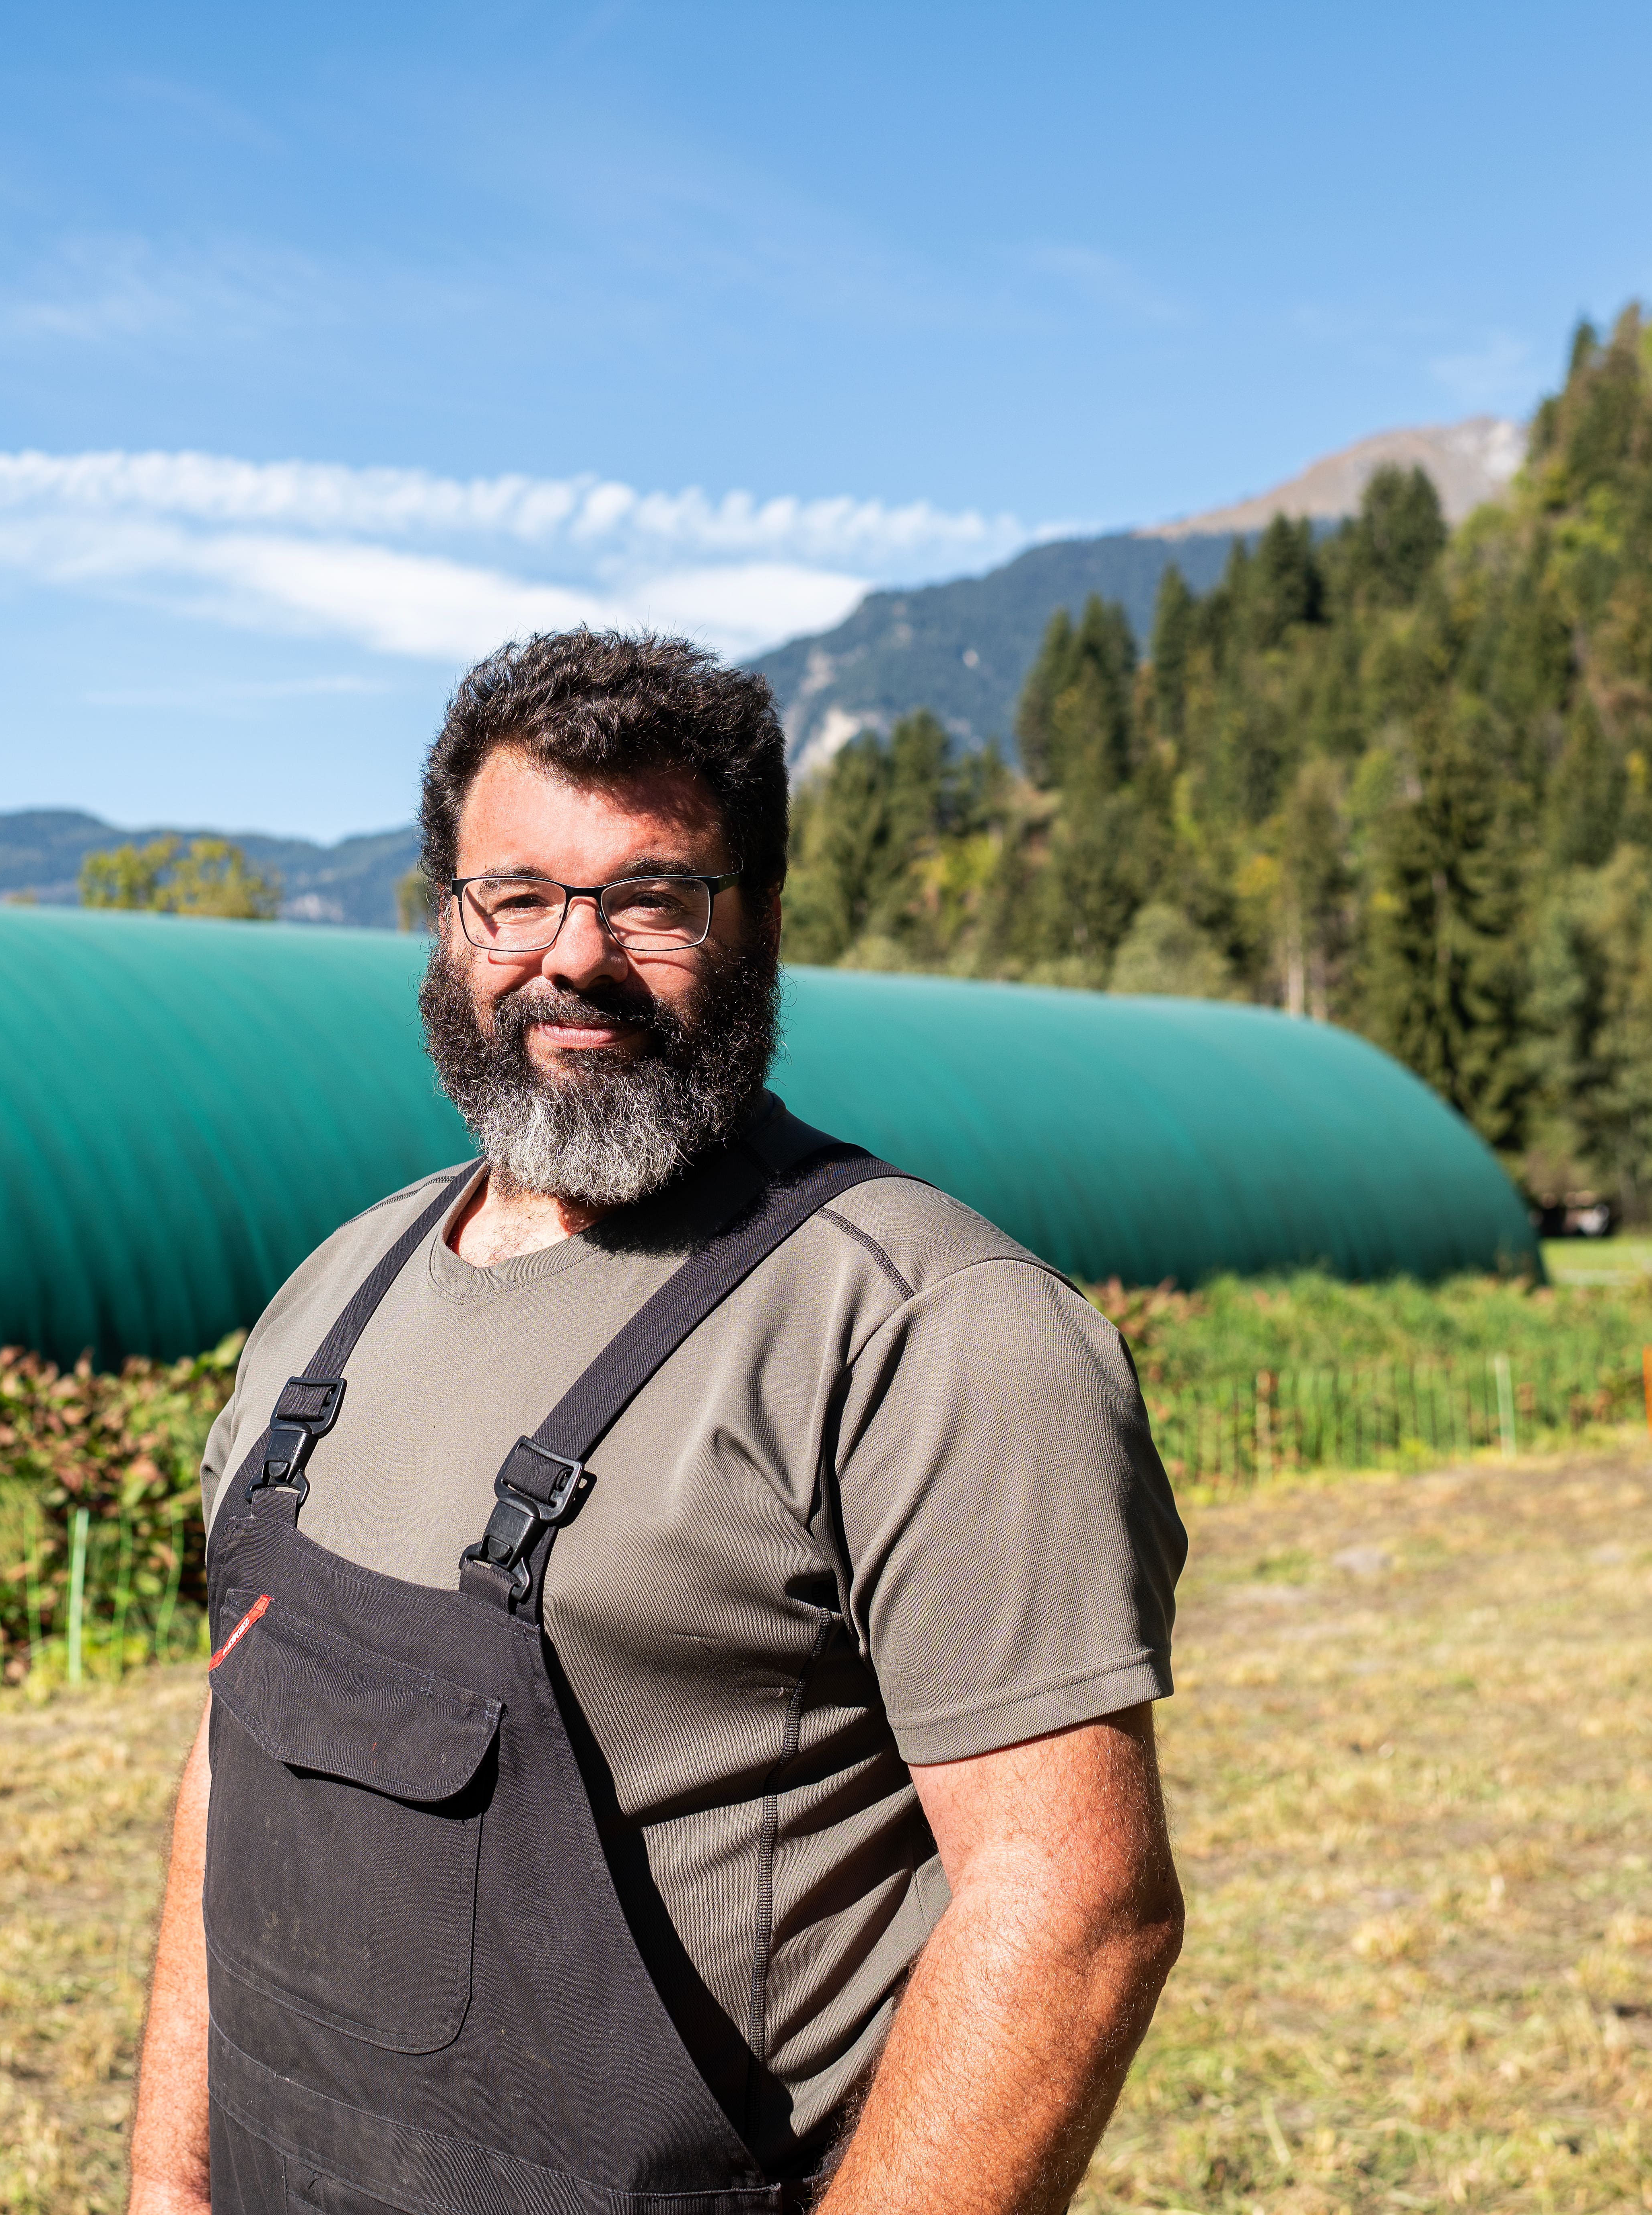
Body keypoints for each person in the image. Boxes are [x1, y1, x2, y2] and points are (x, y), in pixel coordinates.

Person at [128, 629, 1188, 2215]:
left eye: (654, 896)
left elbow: (1076, 1905)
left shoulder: (926, 1324)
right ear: (448, 919)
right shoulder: (331, 1295)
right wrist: (172, 2184)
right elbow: (236, 1773)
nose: (578, 955)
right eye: (522, 894)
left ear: (756, 921)